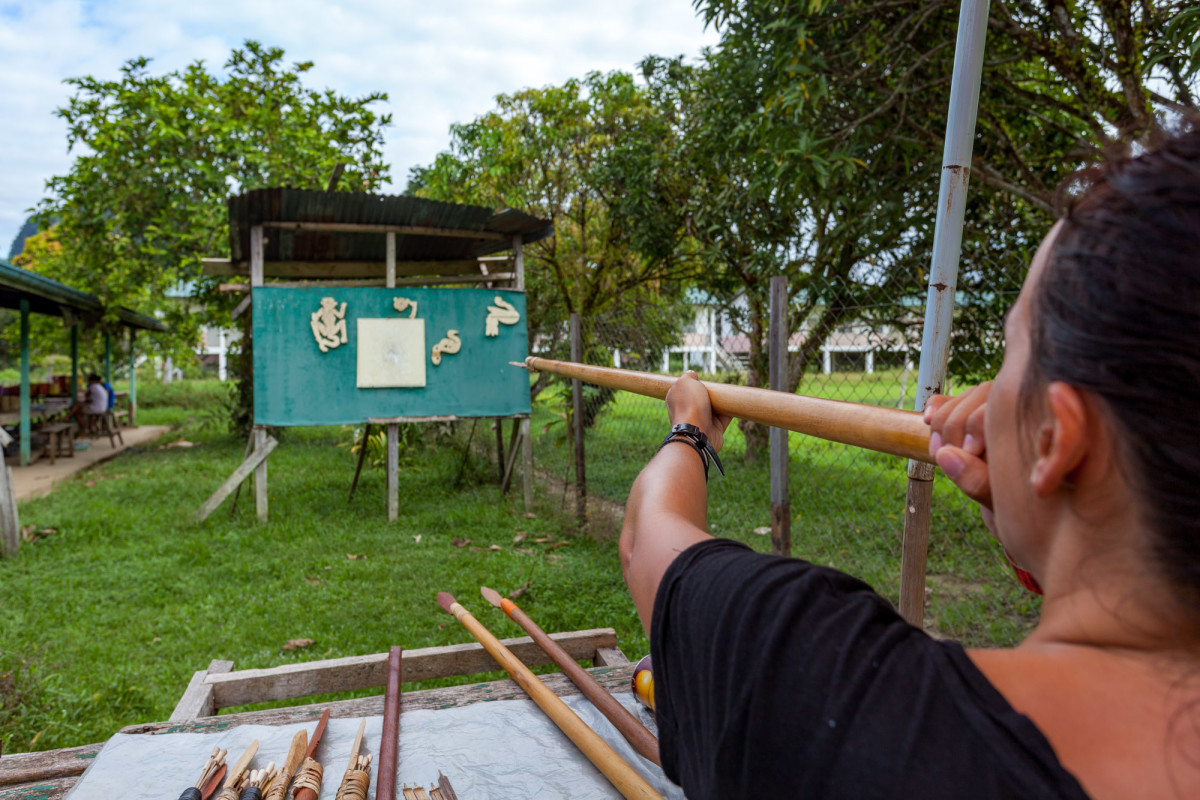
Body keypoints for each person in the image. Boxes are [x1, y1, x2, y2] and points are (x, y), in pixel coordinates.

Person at [619, 124, 1200, 799]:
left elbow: (648, 537)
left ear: (1057, 438)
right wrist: (1031, 500)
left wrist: (689, 427)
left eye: (1013, 351)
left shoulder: (834, 685)